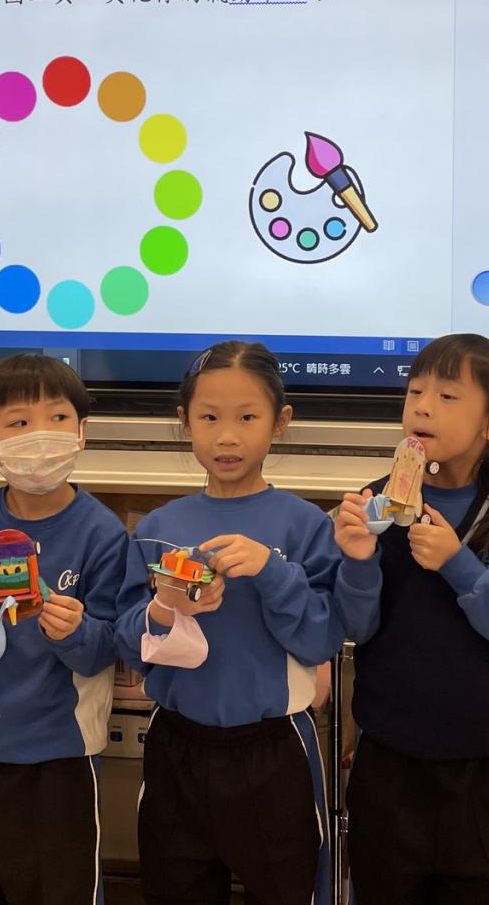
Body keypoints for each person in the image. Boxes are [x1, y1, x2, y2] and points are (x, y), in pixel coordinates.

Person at [334, 334, 489, 905]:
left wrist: (460, 566)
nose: (421, 407)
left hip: (479, 768)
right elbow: (355, 628)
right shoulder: (375, 504)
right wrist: (358, 559)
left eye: (446, 396)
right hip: (387, 758)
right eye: (414, 391)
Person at [118, 341, 341, 905]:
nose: (227, 437)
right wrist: (164, 607)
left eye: (247, 418)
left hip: (275, 751)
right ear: (185, 422)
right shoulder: (158, 528)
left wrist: (273, 572)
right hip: (177, 746)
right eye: (209, 418)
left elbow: (321, 638)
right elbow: (127, 643)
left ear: (280, 422)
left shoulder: (306, 525)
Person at [0, 353, 145, 905]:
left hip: (59, 754)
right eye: (20, 422)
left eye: (58, 418)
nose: (41, 435)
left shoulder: (102, 532)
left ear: (81, 433)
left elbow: (106, 650)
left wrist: (72, 631)